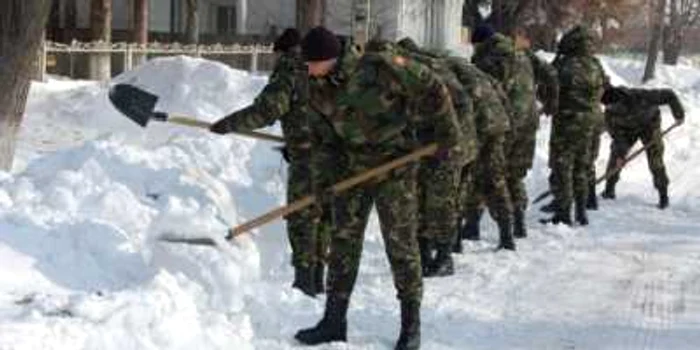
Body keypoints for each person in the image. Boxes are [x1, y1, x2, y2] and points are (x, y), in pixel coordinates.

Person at [293, 27, 464, 350]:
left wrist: (446, 136)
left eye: (312, 63)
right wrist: (325, 181)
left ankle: (410, 327)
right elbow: (324, 139)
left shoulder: (380, 67)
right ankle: (333, 321)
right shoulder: (315, 86)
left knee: (400, 247)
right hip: (352, 171)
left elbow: (432, 85)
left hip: (395, 166)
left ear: (328, 58)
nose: (308, 69)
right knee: (343, 244)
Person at [209, 28, 328, 297]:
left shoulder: (290, 69)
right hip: (334, 154)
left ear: (283, 52)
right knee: (325, 215)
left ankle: (304, 279)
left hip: (309, 159)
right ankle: (318, 275)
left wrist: (229, 123)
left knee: (302, 216)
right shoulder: (328, 66)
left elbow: (268, 109)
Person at [395, 37, 478, 277]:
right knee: (419, 195)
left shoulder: (432, 73)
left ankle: (444, 256)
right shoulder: (404, 75)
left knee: (441, 200)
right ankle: (423, 252)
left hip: (450, 143)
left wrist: (446, 139)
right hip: (425, 141)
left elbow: (462, 104)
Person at [543, 25, 607, 226]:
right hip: (591, 122)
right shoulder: (596, 64)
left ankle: (563, 213)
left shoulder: (564, 65)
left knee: (563, 166)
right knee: (582, 166)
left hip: (567, 122)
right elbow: (604, 87)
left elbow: (546, 92)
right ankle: (581, 211)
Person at [465, 25, 517, 250]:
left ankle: (497, 232)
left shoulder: (485, 61)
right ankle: (501, 231)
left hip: (484, 125)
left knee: (479, 178)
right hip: (499, 122)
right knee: (490, 178)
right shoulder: (509, 53)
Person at [600, 85, 685, 208]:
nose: (610, 108)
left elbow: (669, 95)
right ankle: (609, 190)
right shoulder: (610, 115)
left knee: (655, 158)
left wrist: (679, 115)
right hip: (627, 131)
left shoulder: (641, 96)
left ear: (620, 101)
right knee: (615, 157)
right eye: (608, 107)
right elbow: (618, 137)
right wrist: (620, 154)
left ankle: (663, 196)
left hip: (649, 125)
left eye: (613, 106)